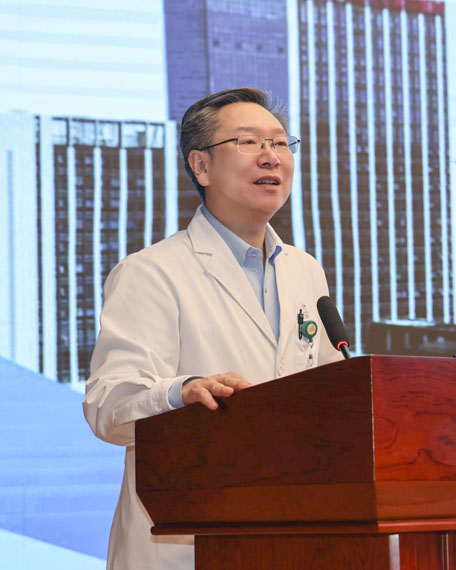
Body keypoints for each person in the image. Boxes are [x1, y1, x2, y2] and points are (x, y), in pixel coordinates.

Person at [83, 88, 343, 570]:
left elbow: (328, 394)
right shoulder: (150, 272)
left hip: (292, 535)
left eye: (281, 143)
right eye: (248, 142)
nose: (271, 156)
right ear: (200, 166)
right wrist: (181, 393)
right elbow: (108, 406)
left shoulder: (305, 270)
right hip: (186, 543)